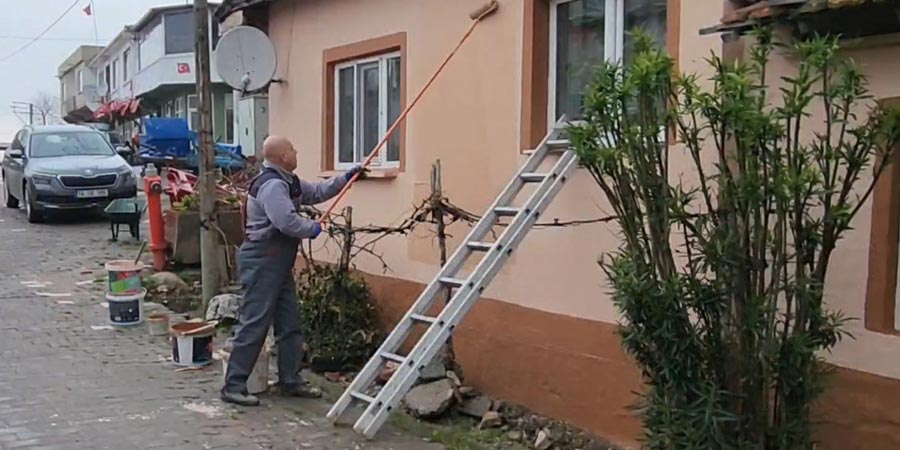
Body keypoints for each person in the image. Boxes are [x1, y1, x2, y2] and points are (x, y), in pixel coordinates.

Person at [222, 135, 366, 406]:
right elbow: (285, 221)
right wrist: (311, 229)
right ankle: (234, 385)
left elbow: (318, 192)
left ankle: (290, 380)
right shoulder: (273, 186)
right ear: (282, 157)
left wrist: (348, 177)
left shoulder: (290, 182)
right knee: (255, 323)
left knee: (289, 325)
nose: (296, 151)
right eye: (292, 149)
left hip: (278, 263)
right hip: (263, 261)